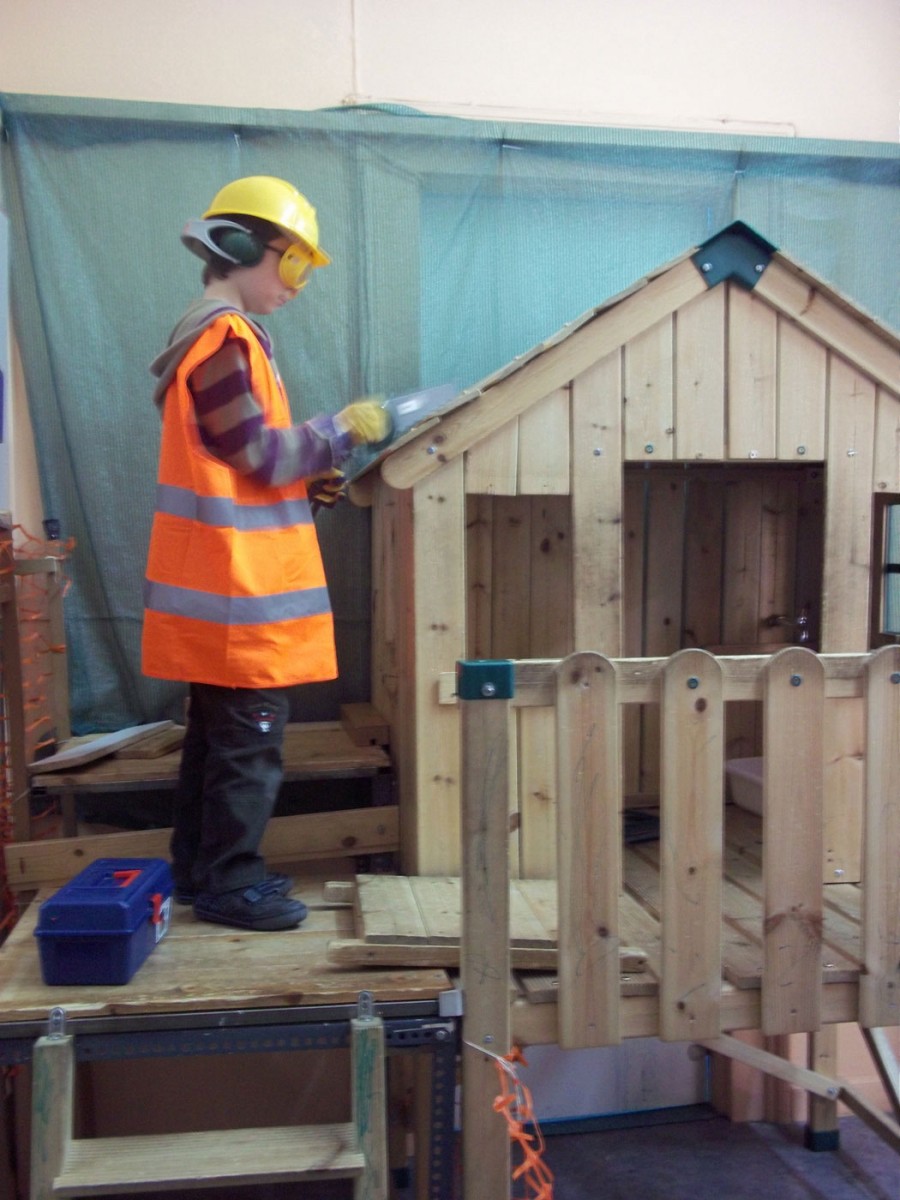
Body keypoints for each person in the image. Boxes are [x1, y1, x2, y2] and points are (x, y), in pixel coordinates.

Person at [142, 175, 389, 931]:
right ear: (243, 247)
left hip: (221, 587)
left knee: (217, 743)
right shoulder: (224, 337)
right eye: (295, 264)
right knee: (248, 746)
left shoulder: (215, 335)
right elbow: (252, 449)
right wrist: (339, 432)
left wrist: (299, 484)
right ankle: (230, 883)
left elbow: (241, 465)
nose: (299, 284)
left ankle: (197, 872)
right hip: (240, 597)